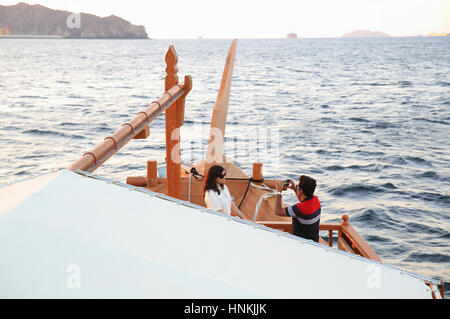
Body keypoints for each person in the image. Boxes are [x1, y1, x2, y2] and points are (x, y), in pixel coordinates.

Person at [273, 175, 321, 242]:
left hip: (302, 244)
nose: (296, 187)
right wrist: (294, 189)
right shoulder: (316, 200)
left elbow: (278, 211)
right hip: (314, 243)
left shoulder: (299, 209)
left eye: (297, 186)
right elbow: (304, 202)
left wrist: (278, 192)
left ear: (301, 190)